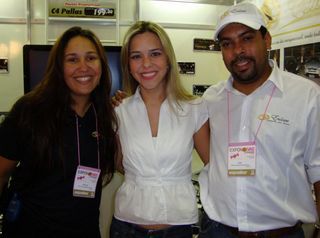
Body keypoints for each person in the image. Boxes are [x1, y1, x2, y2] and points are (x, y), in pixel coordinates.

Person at [199, 2, 320, 238]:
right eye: (227, 44)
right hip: (217, 230)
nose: (238, 50)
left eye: (246, 38)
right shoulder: (211, 98)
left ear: (267, 40)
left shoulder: (306, 95)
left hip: (281, 233)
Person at [0, 26, 118, 238]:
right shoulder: (30, 110)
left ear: (101, 65)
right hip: (29, 230)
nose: (84, 67)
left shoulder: (106, 116)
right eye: (72, 59)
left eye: (91, 58)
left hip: (84, 231)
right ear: (59, 67)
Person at [109, 21, 210, 238]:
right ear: (128, 64)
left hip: (178, 225)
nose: (146, 64)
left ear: (168, 59)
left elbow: (214, 165)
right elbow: (119, 164)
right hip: (126, 225)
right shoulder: (119, 111)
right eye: (136, 56)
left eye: (155, 54)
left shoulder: (194, 108)